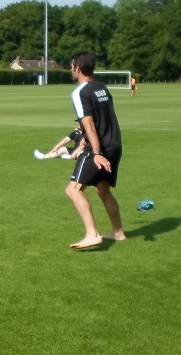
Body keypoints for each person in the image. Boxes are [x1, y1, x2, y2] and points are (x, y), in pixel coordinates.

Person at [66, 51, 125, 249]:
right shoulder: (102, 87)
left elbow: (89, 126)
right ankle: (118, 232)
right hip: (114, 144)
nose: (71, 69)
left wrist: (97, 153)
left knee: (73, 190)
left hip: (97, 148)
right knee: (103, 190)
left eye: (72, 65)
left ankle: (92, 234)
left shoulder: (80, 92)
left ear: (78, 68)